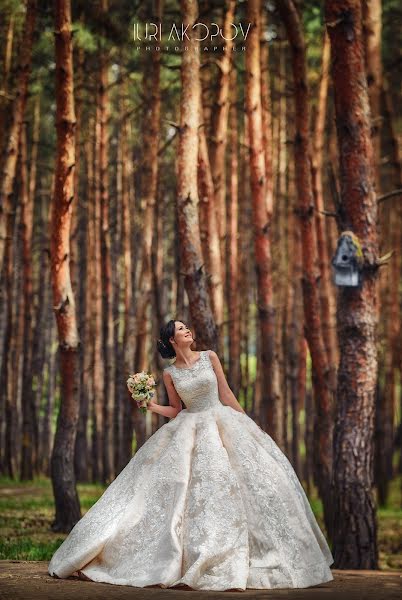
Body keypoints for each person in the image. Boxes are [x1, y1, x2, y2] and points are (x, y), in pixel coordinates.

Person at [48, 318, 334, 591]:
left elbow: (226, 393)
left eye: (187, 327)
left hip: (221, 421)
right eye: (181, 329)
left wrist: (247, 422)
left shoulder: (209, 357)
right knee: (186, 490)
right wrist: (150, 406)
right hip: (190, 428)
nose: (187, 331)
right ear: (172, 340)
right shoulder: (170, 373)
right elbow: (176, 410)